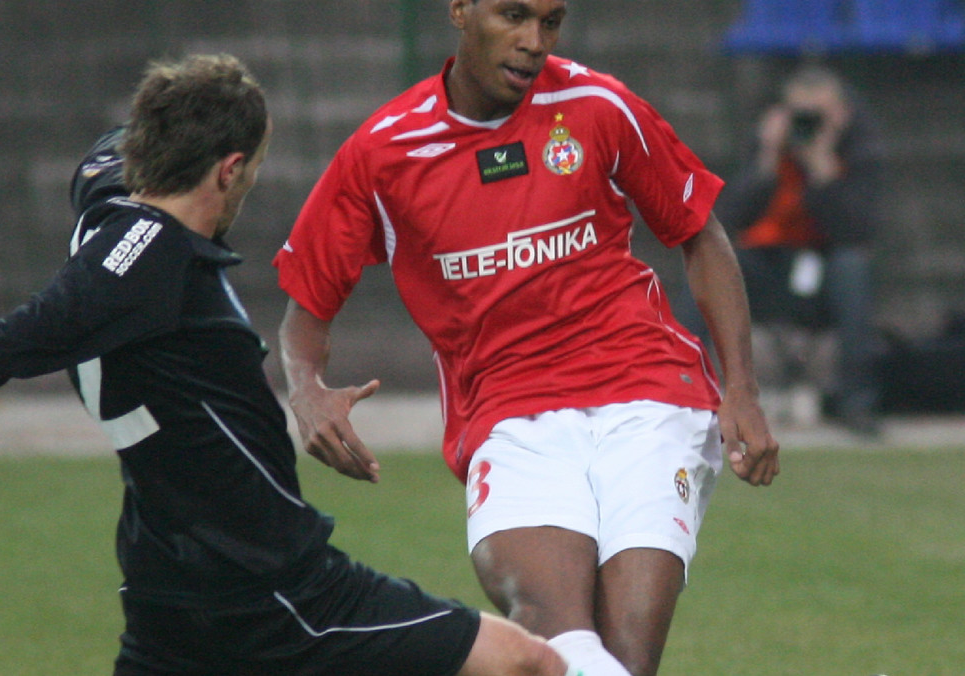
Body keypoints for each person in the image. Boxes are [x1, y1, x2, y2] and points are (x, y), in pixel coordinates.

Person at [0, 54, 568, 676]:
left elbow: (107, 156)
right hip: (270, 589)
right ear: (228, 170)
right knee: (529, 663)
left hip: (168, 585)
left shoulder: (103, 206)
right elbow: (53, 318)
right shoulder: (148, 255)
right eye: (247, 167)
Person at [273, 2, 780, 675]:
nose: (533, 42)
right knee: (554, 645)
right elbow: (304, 313)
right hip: (510, 418)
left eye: (550, 21)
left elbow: (699, 232)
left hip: (651, 396)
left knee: (622, 654)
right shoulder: (384, 151)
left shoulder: (598, 105)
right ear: (459, 9)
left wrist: (741, 389)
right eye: (514, 15)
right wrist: (306, 392)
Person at [715, 64, 883, 436]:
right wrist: (766, 161)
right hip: (772, 263)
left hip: (826, 269)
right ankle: (693, 399)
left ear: (841, 115)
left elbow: (857, 232)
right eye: (799, 115)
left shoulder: (860, 151)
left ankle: (857, 405)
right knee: (712, 266)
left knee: (853, 268)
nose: (807, 125)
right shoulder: (767, 149)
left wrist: (822, 165)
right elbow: (727, 219)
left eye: (817, 115)